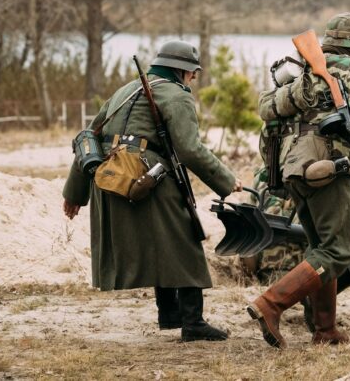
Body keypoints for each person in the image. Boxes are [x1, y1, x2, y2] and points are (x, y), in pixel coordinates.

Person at [62, 40, 243, 342]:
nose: (194, 78)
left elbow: (89, 139)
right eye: (193, 72)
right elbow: (190, 149)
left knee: (164, 243)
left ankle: (170, 313)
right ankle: (193, 323)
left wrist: (75, 192)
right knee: (184, 240)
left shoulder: (124, 90)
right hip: (147, 177)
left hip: (110, 177)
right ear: (181, 71)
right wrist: (226, 180)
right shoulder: (177, 96)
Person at [248, 12, 350, 349]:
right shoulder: (347, 66)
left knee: (320, 248)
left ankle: (325, 329)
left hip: (293, 169)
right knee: (339, 250)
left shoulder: (304, 67)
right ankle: (270, 305)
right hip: (328, 168)